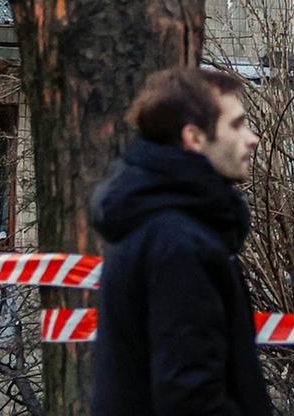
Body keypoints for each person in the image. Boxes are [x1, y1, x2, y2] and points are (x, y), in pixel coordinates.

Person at [89, 66, 271, 416]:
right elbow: (191, 397)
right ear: (194, 137)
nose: (252, 138)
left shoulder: (159, 224)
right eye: (236, 125)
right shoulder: (179, 243)